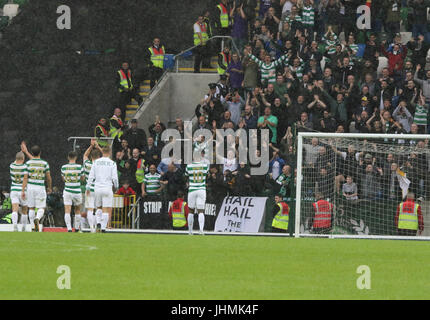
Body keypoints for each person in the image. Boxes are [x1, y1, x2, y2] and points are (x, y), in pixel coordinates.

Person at [86, 145, 119, 233]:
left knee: (98, 207)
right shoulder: (112, 163)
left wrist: (88, 187)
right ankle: (104, 228)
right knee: (106, 208)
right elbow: (115, 178)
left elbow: (91, 176)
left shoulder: (96, 162)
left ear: (102, 152)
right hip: (107, 188)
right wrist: (116, 187)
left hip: (97, 188)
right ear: (110, 152)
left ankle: (98, 222)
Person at [21, 144, 52, 232]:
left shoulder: (28, 163)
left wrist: (23, 190)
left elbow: (25, 178)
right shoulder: (44, 163)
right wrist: (49, 187)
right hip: (40, 187)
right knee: (41, 207)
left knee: (31, 207)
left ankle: (32, 227)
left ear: (32, 153)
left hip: (30, 187)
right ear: (40, 153)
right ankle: (37, 218)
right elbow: (48, 177)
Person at [185, 153, 210, 235]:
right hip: (201, 189)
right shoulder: (205, 166)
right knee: (201, 210)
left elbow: (186, 175)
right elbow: (207, 175)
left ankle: (190, 231)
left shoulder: (189, 166)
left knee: (191, 211)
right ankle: (201, 230)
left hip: (192, 189)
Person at [61, 151, 84, 232]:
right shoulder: (80, 167)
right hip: (77, 190)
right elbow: (82, 178)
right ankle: (77, 228)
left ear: (68, 157)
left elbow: (63, 179)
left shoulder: (63, 167)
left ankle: (69, 228)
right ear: (76, 157)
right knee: (77, 210)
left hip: (67, 190)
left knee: (67, 210)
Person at [83, 141, 102, 233]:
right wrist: (98, 146)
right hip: (98, 189)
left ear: (91, 157)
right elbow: (106, 157)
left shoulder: (87, 164)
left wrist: (91, 146)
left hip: (89, 189)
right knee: (98, 208)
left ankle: (92, 228)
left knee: (90, 209)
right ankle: (98, 224)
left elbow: (84, 155)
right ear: (99, 157)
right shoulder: (101, 165)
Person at [9, 150, 28, 232]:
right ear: (23, 159)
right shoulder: (25, 167)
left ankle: (15, 226)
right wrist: (23, 191)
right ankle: (23, 228)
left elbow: (15, 161)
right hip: (22, 190)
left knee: (15, 209)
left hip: (13, 190)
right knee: (24, 210)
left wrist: (20, 153)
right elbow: (25, 179)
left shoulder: (11, 166)